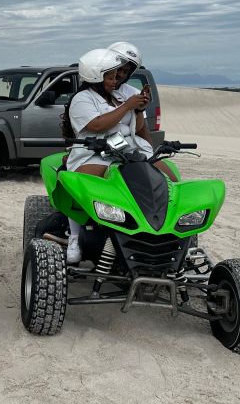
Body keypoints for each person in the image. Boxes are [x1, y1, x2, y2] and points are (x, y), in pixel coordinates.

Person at [64, 48, 176, 263]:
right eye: (111, 75)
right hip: (94, 151)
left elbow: (138, 127)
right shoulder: (82, 99)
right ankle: (75, 237)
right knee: (82, 187)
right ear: (96, 76)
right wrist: (128, 106)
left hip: (127, 149)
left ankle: (162, 232)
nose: (117, 79)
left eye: (117, 75)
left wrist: (139, 110)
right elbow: (97, 125)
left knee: (168, 178)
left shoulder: (118, 95)